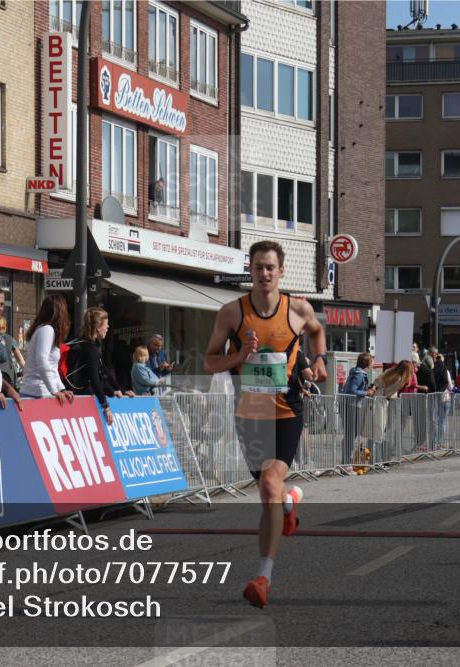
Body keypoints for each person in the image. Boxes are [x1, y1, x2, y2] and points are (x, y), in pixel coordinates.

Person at [203, 240, 327, 609]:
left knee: (270, 484)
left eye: (270, 267)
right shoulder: (231, 313)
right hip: (251, 416)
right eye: (258, 267)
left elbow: (318, 330)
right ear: (250, 271)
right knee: (268, 494)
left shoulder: (298, 309)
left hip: (287, 411)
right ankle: (289, 505)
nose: (264, 273)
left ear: (281, 271)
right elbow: (209, 362)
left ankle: (263, 578)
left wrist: (319, 359)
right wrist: (239, 355)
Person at [70, 307, 134, 425]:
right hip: (83, 400)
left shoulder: (88, 344)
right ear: (98, 327)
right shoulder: (90, 348)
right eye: (106, 324)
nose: (108, 327)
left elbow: (104, 371)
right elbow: (95, 379)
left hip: (80, 397)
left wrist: (120, 389)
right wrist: (106, 406)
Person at [20, 295, 74, 404]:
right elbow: (42, 361)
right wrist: (54, 390)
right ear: (60, 311)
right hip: (36, 392)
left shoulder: (45, 329)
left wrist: (61, 389)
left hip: (42, 391)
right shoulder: (47, 330)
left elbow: (52, 367)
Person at [0, 317, 25, 388]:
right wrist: (27, 372)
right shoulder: (9, 339)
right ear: (4, 326)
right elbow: (20, 360)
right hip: (8, 375)